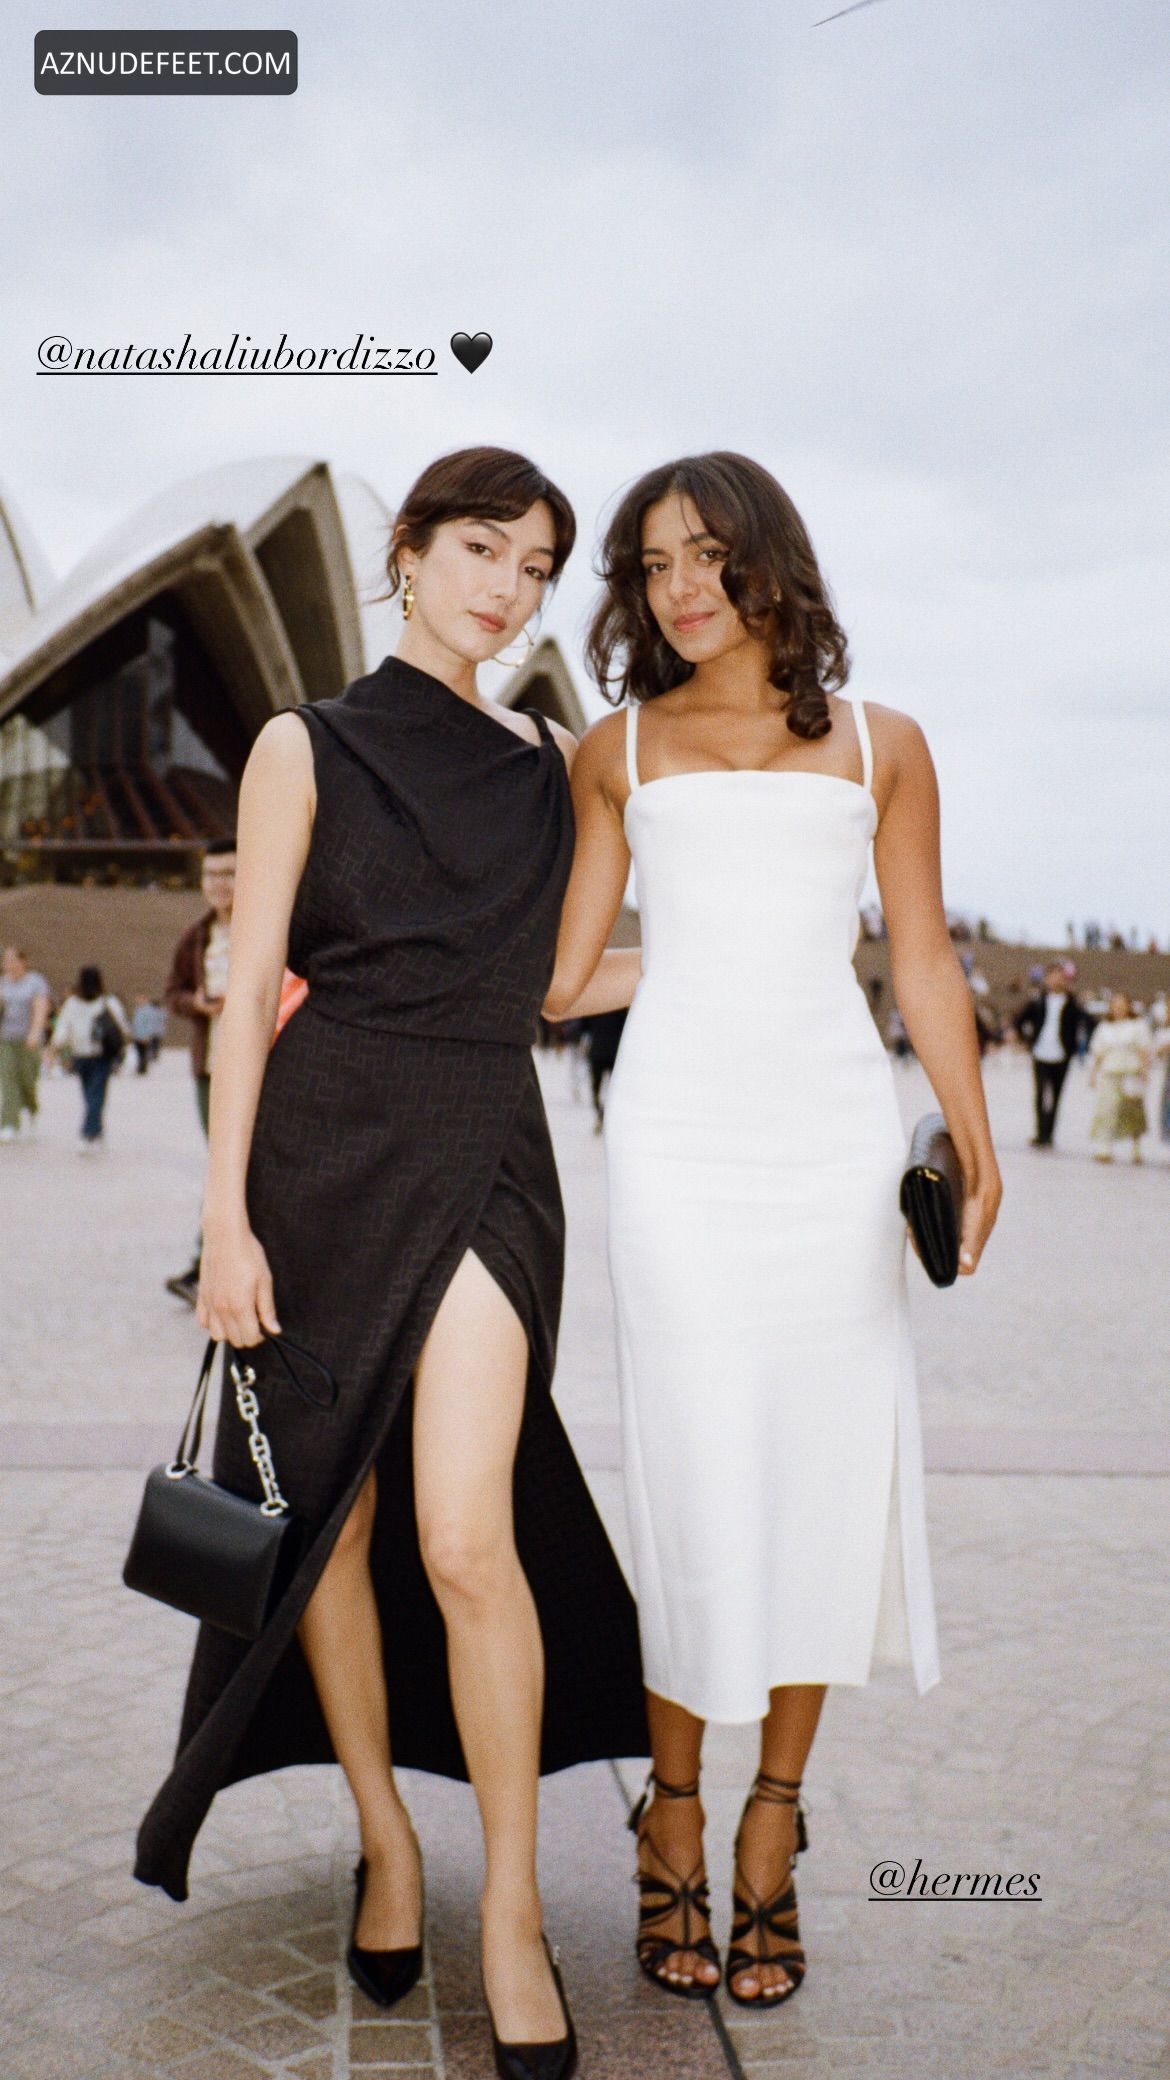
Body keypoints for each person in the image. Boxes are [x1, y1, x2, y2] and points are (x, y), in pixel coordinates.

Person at [134, 448, 648, 2080]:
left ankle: (513, 1913)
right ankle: (387, 1837)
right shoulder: (306, 744)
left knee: (464, 1535)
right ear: (410, 553)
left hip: (488, 1153)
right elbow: (249, 991)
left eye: (537, 566)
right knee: (331, 1526)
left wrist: (731, 953)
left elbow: (556, 982)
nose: (508, 588)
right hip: (319, 1163)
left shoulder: (549, 763)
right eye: (483, 549)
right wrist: (224, 1221)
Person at [544, 452, 1001, 2009]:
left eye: (705, 556)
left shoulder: (884, 744)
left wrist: (974, 1136)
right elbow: (563, 979)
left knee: (820, 1470)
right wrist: (679, 964)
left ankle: (769, 1826)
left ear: (768, 563)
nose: (678, 588)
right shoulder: (614, 750)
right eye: (651, 564)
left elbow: (920, 958)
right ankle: (670, 1814)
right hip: (676, 1152)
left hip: (830, 1151)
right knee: (692, 1472)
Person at [163, 838, 238, 1304]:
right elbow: (173, 992)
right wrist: (198, 1003)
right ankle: (203, 1264)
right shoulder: (196, 935)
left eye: (228, 873)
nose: (218, 883)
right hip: (212, 1068)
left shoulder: (265, 928)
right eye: (211, 874)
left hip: (265, 1065)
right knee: (222, 1164)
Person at [47, 965, 130, 1149]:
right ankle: (96, 1129)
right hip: (97, 1054)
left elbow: (63, 1027)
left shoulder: (73, 1003)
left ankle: (88, 1133)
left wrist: (55, 1047)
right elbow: (122, 1026)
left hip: (87, 1055)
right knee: (93, 1094)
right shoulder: (107, 1002)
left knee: (92, 1093)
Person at [1014, 962, 1081, 1147]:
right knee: (1040, 1093)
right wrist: (1025, 1040)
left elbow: (1084, 1023)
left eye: (1060, 976)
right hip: (1041, 1052)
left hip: (1061, 1055)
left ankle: (1049, 1133)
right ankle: (1040, 1132)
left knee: (1056, 1096)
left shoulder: (1071, 1003)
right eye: (1052, 976)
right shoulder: (1038, 1001)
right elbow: (1019, 1020)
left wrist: (1073, 1048)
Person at [1087, 991, 1150, 1162]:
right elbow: (1098, 1052)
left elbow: (1143, 1049)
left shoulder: (1137, 1026)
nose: (1118, 1009)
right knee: (1107, 1110)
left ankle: (1136, 1147)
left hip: (1130, 1073)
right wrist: (1093, 1073)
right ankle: (1104, 1147)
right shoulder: (1104, 1027)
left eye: (1122, 1005)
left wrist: (1144, 1071)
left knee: (1133, 1111)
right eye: (1115, 1006)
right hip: (1110, 1072)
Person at [0, 946, 51, 1142]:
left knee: (27, 1080)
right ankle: (9, 1123)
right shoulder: (2, 983)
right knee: (8, 1079)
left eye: (11, 960)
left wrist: (35, 1032)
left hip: (29, 1039)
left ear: (22, 962)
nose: (7, 964)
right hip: (6, 1038)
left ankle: (32, 1108)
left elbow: (40, 1008)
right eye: (5, 960)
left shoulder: (35, 982)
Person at [580, 1007, 628, 1131]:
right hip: (614, 1054)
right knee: (613, 1090)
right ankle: (605, 1115)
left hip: (598, 1053)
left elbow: (584, 1028)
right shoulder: (620, 1008)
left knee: (596, 1088)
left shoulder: (594, 1007)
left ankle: (601, 1114)